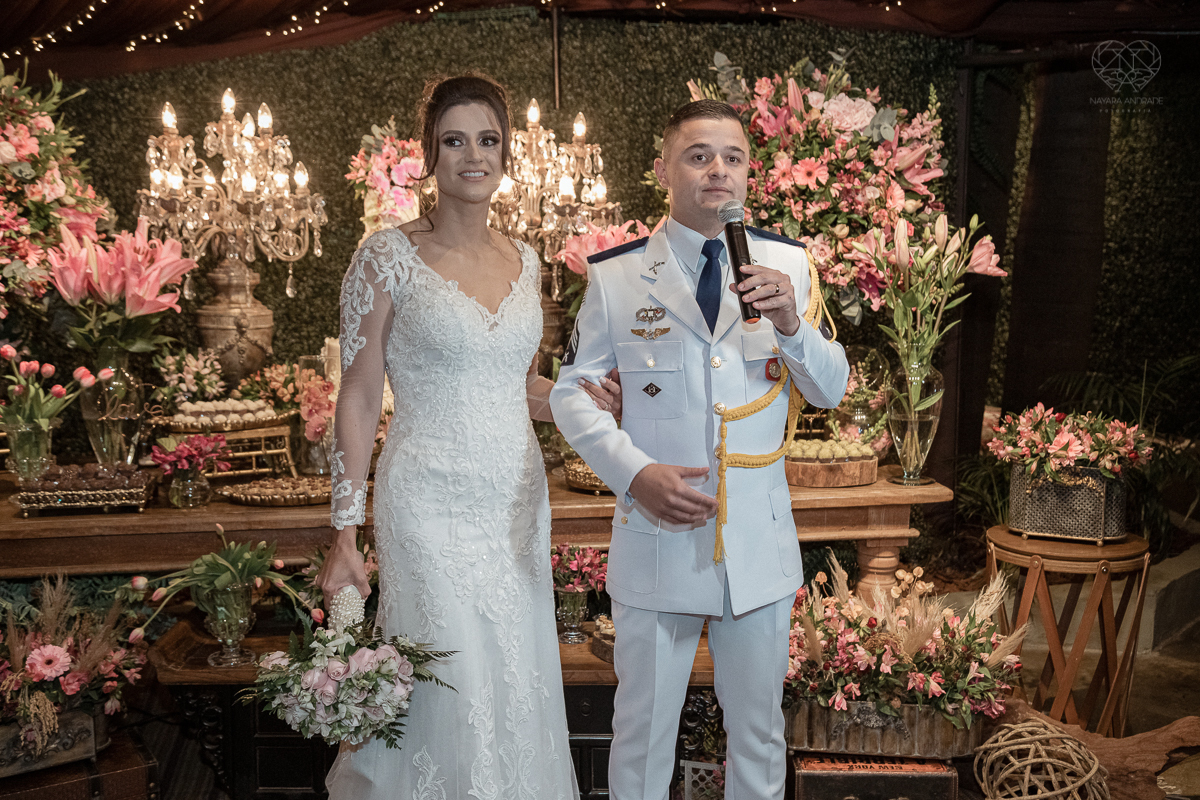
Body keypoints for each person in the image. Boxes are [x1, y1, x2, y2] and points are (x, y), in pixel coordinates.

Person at [317, 73, 622, 800]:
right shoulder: (385, 256)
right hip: (424, 501)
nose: (472, 155)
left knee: (513, 675)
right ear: (430, 156)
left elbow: (513, 387)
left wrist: (589, 403)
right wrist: (344, 529)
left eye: (487, 140)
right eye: (455, 140)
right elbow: (358, 395)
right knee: (446, 675)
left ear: (506, 154)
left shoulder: (527, 261)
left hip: (515, 503)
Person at [549, 99, 849, 800]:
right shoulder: (617, 276)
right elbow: (572, 392)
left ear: (750, 173)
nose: (719, 171)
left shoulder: (788, 265)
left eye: (734, 158)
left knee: (758, 736)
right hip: (657, 536)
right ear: (663, 170)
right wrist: (635, 474)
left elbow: (831, 390)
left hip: (756, 541)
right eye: (699, 156)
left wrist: (792, 324)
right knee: (643, 735)